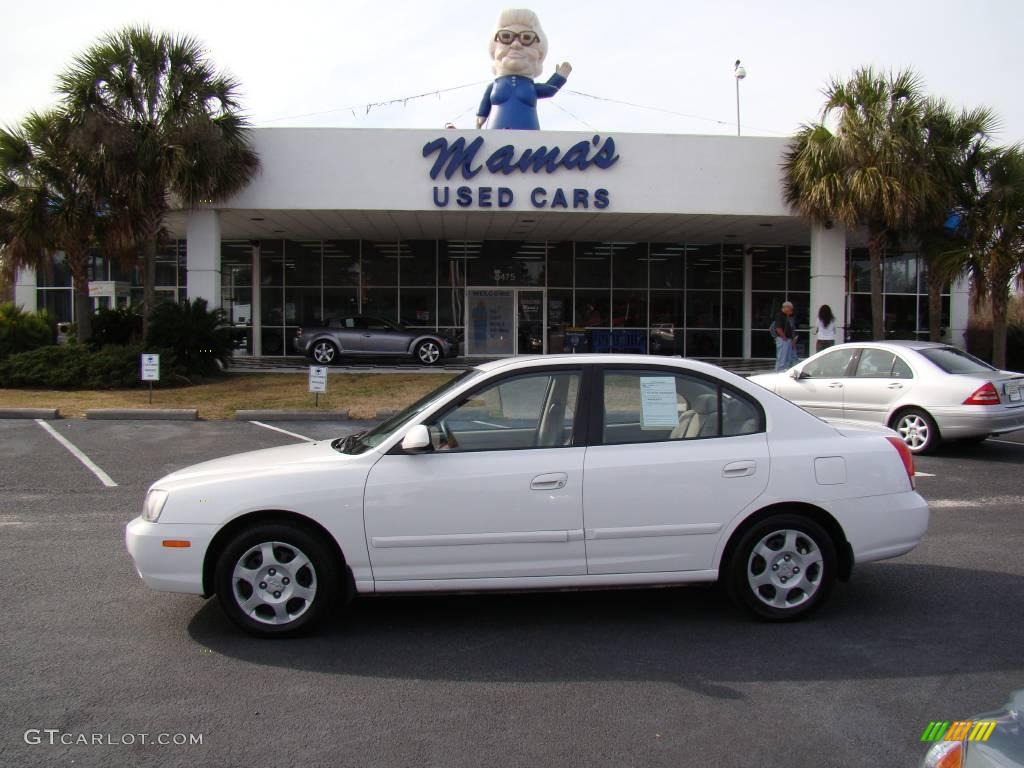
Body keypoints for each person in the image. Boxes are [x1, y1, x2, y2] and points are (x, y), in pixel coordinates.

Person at [476, 9, 572, 130]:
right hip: (495, 137)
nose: (516, 44)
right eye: (506, 36)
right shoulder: (493, 86)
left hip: (529, 140)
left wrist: (559, 77)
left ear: (539, 53)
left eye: (526, 37)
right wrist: (481, 116)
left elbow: (548, 90)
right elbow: (485, 106)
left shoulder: (530, 86)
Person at [773, 301, 799, 371]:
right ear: (786, 308)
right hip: (783, 339)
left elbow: (792, 328)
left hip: (789, 339)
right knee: (782, 357)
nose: (791, 311)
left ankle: (785, 371)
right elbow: (778, 328)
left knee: (788, 358)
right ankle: (779, 372)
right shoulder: (780, 315)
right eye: (790, 309)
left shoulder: (789, 316)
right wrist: (784, 337)